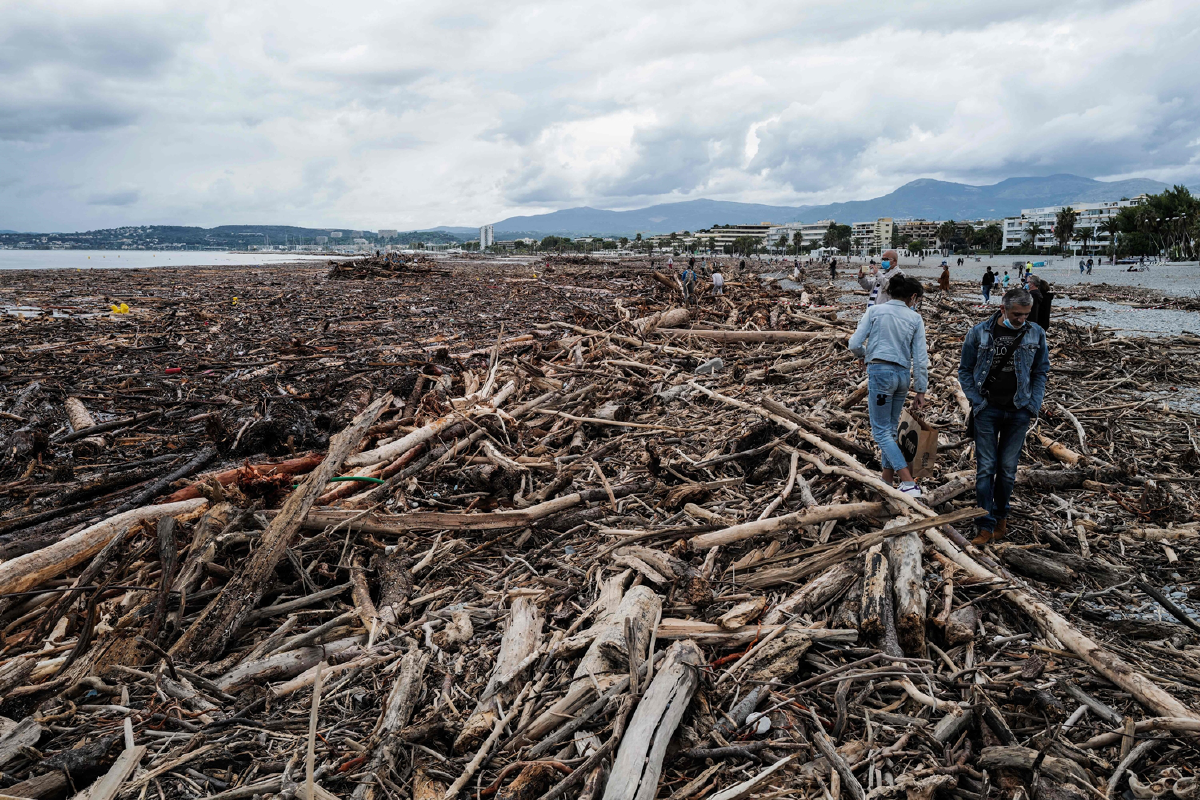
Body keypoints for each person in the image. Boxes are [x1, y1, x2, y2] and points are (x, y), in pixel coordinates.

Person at [957, 287, 1051, 544]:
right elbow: (964, 370)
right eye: (1016, 314)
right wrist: (976, 401)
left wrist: (1033, 404)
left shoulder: (1036, 333)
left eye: (1026, 314)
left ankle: (1001, 518)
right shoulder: (979, 332)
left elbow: (1041, 371)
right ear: (1003, 309)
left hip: (1019, 409)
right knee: (986, 468)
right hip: (988, 409)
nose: (1021, 319)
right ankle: (984, 525)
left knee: (1008, 470)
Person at [848, 275, 929, 497]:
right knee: (890, 428)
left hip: (881, 374)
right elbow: (921, 358)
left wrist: (863, 355)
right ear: (913, 296)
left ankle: (908, 482)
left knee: (881, 431)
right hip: (902, 375)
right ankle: (887, 479)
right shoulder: (915, 318)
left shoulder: (875, 311)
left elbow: (854, 343)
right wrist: (921, 389)